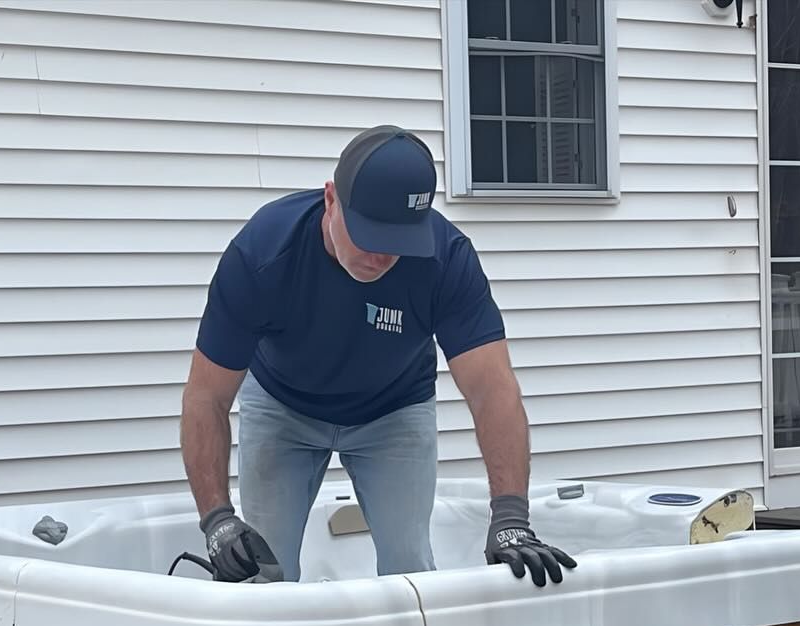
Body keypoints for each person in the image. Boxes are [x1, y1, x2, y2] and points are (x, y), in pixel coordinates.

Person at [179, 124, 575, 587]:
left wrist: (510, 515)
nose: (381, 255)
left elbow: (493, 389)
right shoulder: (264, 254)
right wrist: (217, 520)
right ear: (331, 200)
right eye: (369, 235)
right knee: (262, 569)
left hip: (394, 412)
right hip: (283, 408)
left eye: (398, 241)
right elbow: (206, 396)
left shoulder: (446, 260)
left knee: (410, 567)